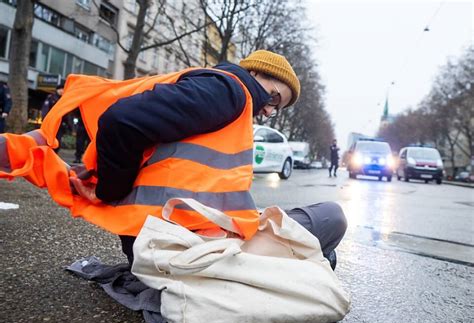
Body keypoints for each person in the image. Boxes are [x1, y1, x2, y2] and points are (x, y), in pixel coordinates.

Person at [2, 50, 346, 270]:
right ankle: (306, 263)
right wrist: (109, 191)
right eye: (273, 97)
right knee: (333, 217)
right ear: (254, 75)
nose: (269, 109)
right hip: (187, 248)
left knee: (312, 244)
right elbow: (119, 122)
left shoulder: (223, 98)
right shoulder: (228, 91)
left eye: (277, 108)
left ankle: (306, 262)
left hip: (178, 244)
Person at [41, 83, 72, 152]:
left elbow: (66, 114)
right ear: (57, 90)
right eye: (60, 89)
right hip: (51, 123)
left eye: (63, 89)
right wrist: (45, 121)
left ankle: (53, 154)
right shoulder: (51, 98)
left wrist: (69, 125)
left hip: (60, 124)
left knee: (58, 141)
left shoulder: (64, 100)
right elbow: (45, 110)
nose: (61, 91)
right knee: (49, 140)